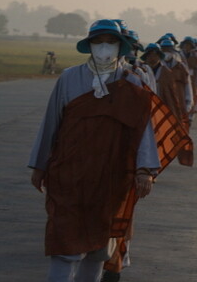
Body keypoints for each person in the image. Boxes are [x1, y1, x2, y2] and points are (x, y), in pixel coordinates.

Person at [28, 20, 161, 282]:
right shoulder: (69, 77)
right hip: (69, 171)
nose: (104, 47)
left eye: (110, 42)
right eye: (98, 42)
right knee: (64, 243)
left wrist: (145, 169)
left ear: (121, 46)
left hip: (112, 174)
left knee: (99, 248)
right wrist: (39, 165)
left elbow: (144, 127)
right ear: (89, 45)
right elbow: (51, 122)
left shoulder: (133, 80)